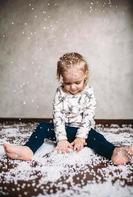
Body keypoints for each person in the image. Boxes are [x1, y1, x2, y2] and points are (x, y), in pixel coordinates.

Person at [3, 52, 133, 165]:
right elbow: (58, 116)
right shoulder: (60, 93)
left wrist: (81, 137)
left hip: (82, 130)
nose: (73, 87)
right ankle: (28, 150)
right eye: (68, 83)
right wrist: (62, 140)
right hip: (63, 129)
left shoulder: (89, 93)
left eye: (77, 82)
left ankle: (115, 152)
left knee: (96, 138)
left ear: (85, 76)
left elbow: (88, 116)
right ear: (61, 78)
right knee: (42, 127)